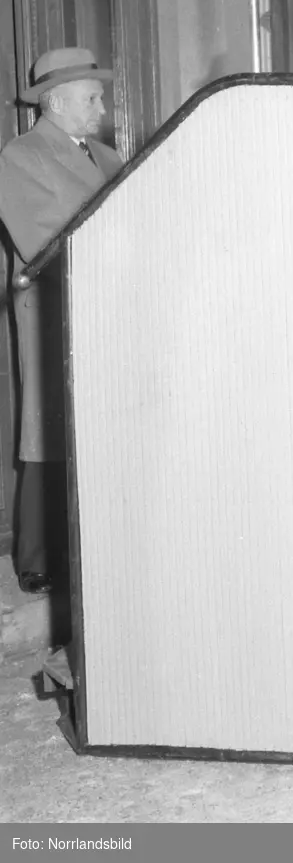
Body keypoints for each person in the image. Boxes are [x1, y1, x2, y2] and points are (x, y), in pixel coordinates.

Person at [0, 48, 123, 594]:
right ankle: (38, 559)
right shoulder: (21, 155)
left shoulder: (107, 155)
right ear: (57, 101)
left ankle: (94, 548)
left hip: (109, 301)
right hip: (56, 305)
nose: (102, 106)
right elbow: (45, 235)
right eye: (92, 97)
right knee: (48, 431)